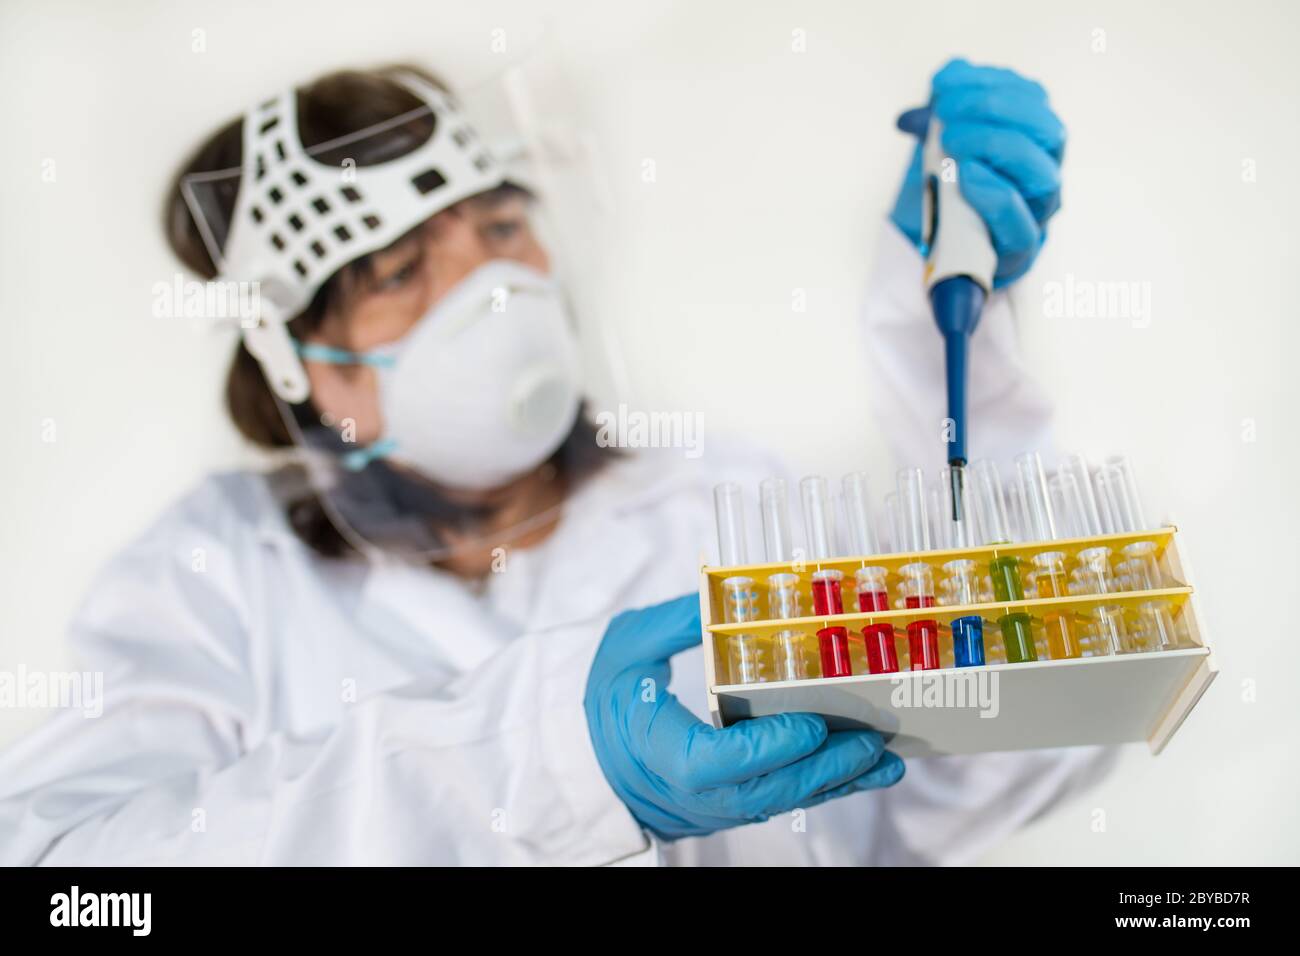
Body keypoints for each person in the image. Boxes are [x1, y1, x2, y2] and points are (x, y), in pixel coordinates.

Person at [0, 58, 1108, 865]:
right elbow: (66, 874)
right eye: (396, 269)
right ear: (306, 369)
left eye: (498, 227)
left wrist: (942, 353)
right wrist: (544, 762)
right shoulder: (213, 579)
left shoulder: (719, 496)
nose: (491, 290)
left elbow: (972, 772)